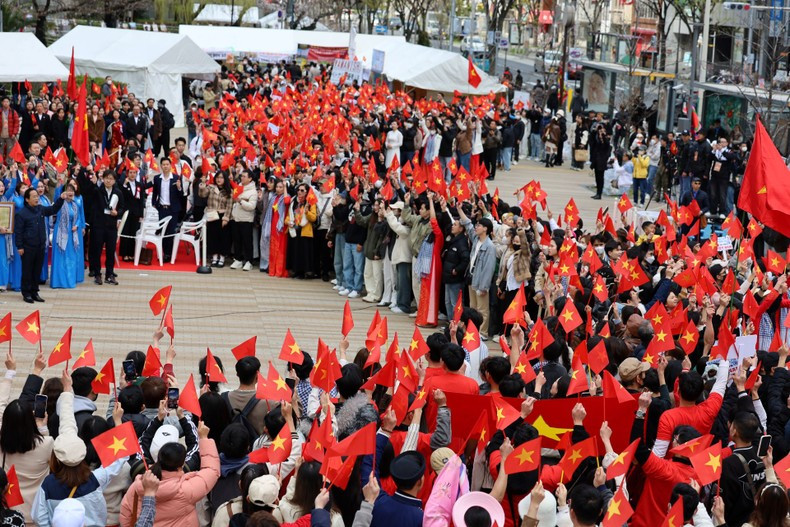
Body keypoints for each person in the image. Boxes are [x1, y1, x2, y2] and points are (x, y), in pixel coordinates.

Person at [120, 421, 220, 527]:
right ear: (181, 466)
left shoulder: (138, 485)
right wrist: (204, 439)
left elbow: (126, 517)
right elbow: (211, 470)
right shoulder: (187, 489)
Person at [14, 186, 67, 303]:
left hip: (40, 245)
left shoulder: (40, 209)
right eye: (33, 197)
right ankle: (26, 293)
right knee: (27, 271)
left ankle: (34, 292)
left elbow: (53, 210)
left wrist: (61, 199)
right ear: (27, 199)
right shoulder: (22, 214)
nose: (36, 198)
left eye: (37, 196)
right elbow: (18, 232)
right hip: (27, 247)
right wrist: (20, 246)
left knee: (37, 270)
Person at [83, 170, 124, 285]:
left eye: (111, 179)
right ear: (103, 179)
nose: (108, 180)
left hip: (111, 226)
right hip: (98, 226)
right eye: (106, 178)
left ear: (114, 180)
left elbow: (122, 207)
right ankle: (97, 274)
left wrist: (117, 213)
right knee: (97, 251)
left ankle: (109, 274)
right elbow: (89, 195)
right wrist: (94, 183)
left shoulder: (118, 192)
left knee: (111, 251)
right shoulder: (98, 190)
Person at [50, 180, 85, 289]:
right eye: (68, 190)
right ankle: (58, 282)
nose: (70, 192)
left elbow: (79, 216)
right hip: (61, 231)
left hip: (72, 232)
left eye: (72, 191)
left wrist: (78, 225)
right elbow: (56, 197)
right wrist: (59, 186)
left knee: (70, 256)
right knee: (60, 256)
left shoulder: (75, 204)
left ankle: (69, 281)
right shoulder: (60, 202)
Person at [151, 157, 182, 262]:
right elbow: (155, 192)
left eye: (167, 164)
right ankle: (164, 253)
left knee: (170, 232)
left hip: (173, 209)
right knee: (163, 232)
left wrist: (179, 188)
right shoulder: (157, 178)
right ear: (161, 166)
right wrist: (154, 203)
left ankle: (169, 253)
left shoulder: (176, 178)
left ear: (170, 165)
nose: (165, 166)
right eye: (163, 164)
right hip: (162, 209)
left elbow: (181, 195)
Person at [229, 170, 258, 271]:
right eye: (241, 176)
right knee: (237, 241)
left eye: (244, 176)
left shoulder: (253, 191)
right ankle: (238, 260)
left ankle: (249, 261)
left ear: (250, 178)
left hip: (246, 220)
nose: (242, 178)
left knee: (247, 242)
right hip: (236, 218)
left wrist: (240, 201)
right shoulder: (238, 187)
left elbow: (252, 206)